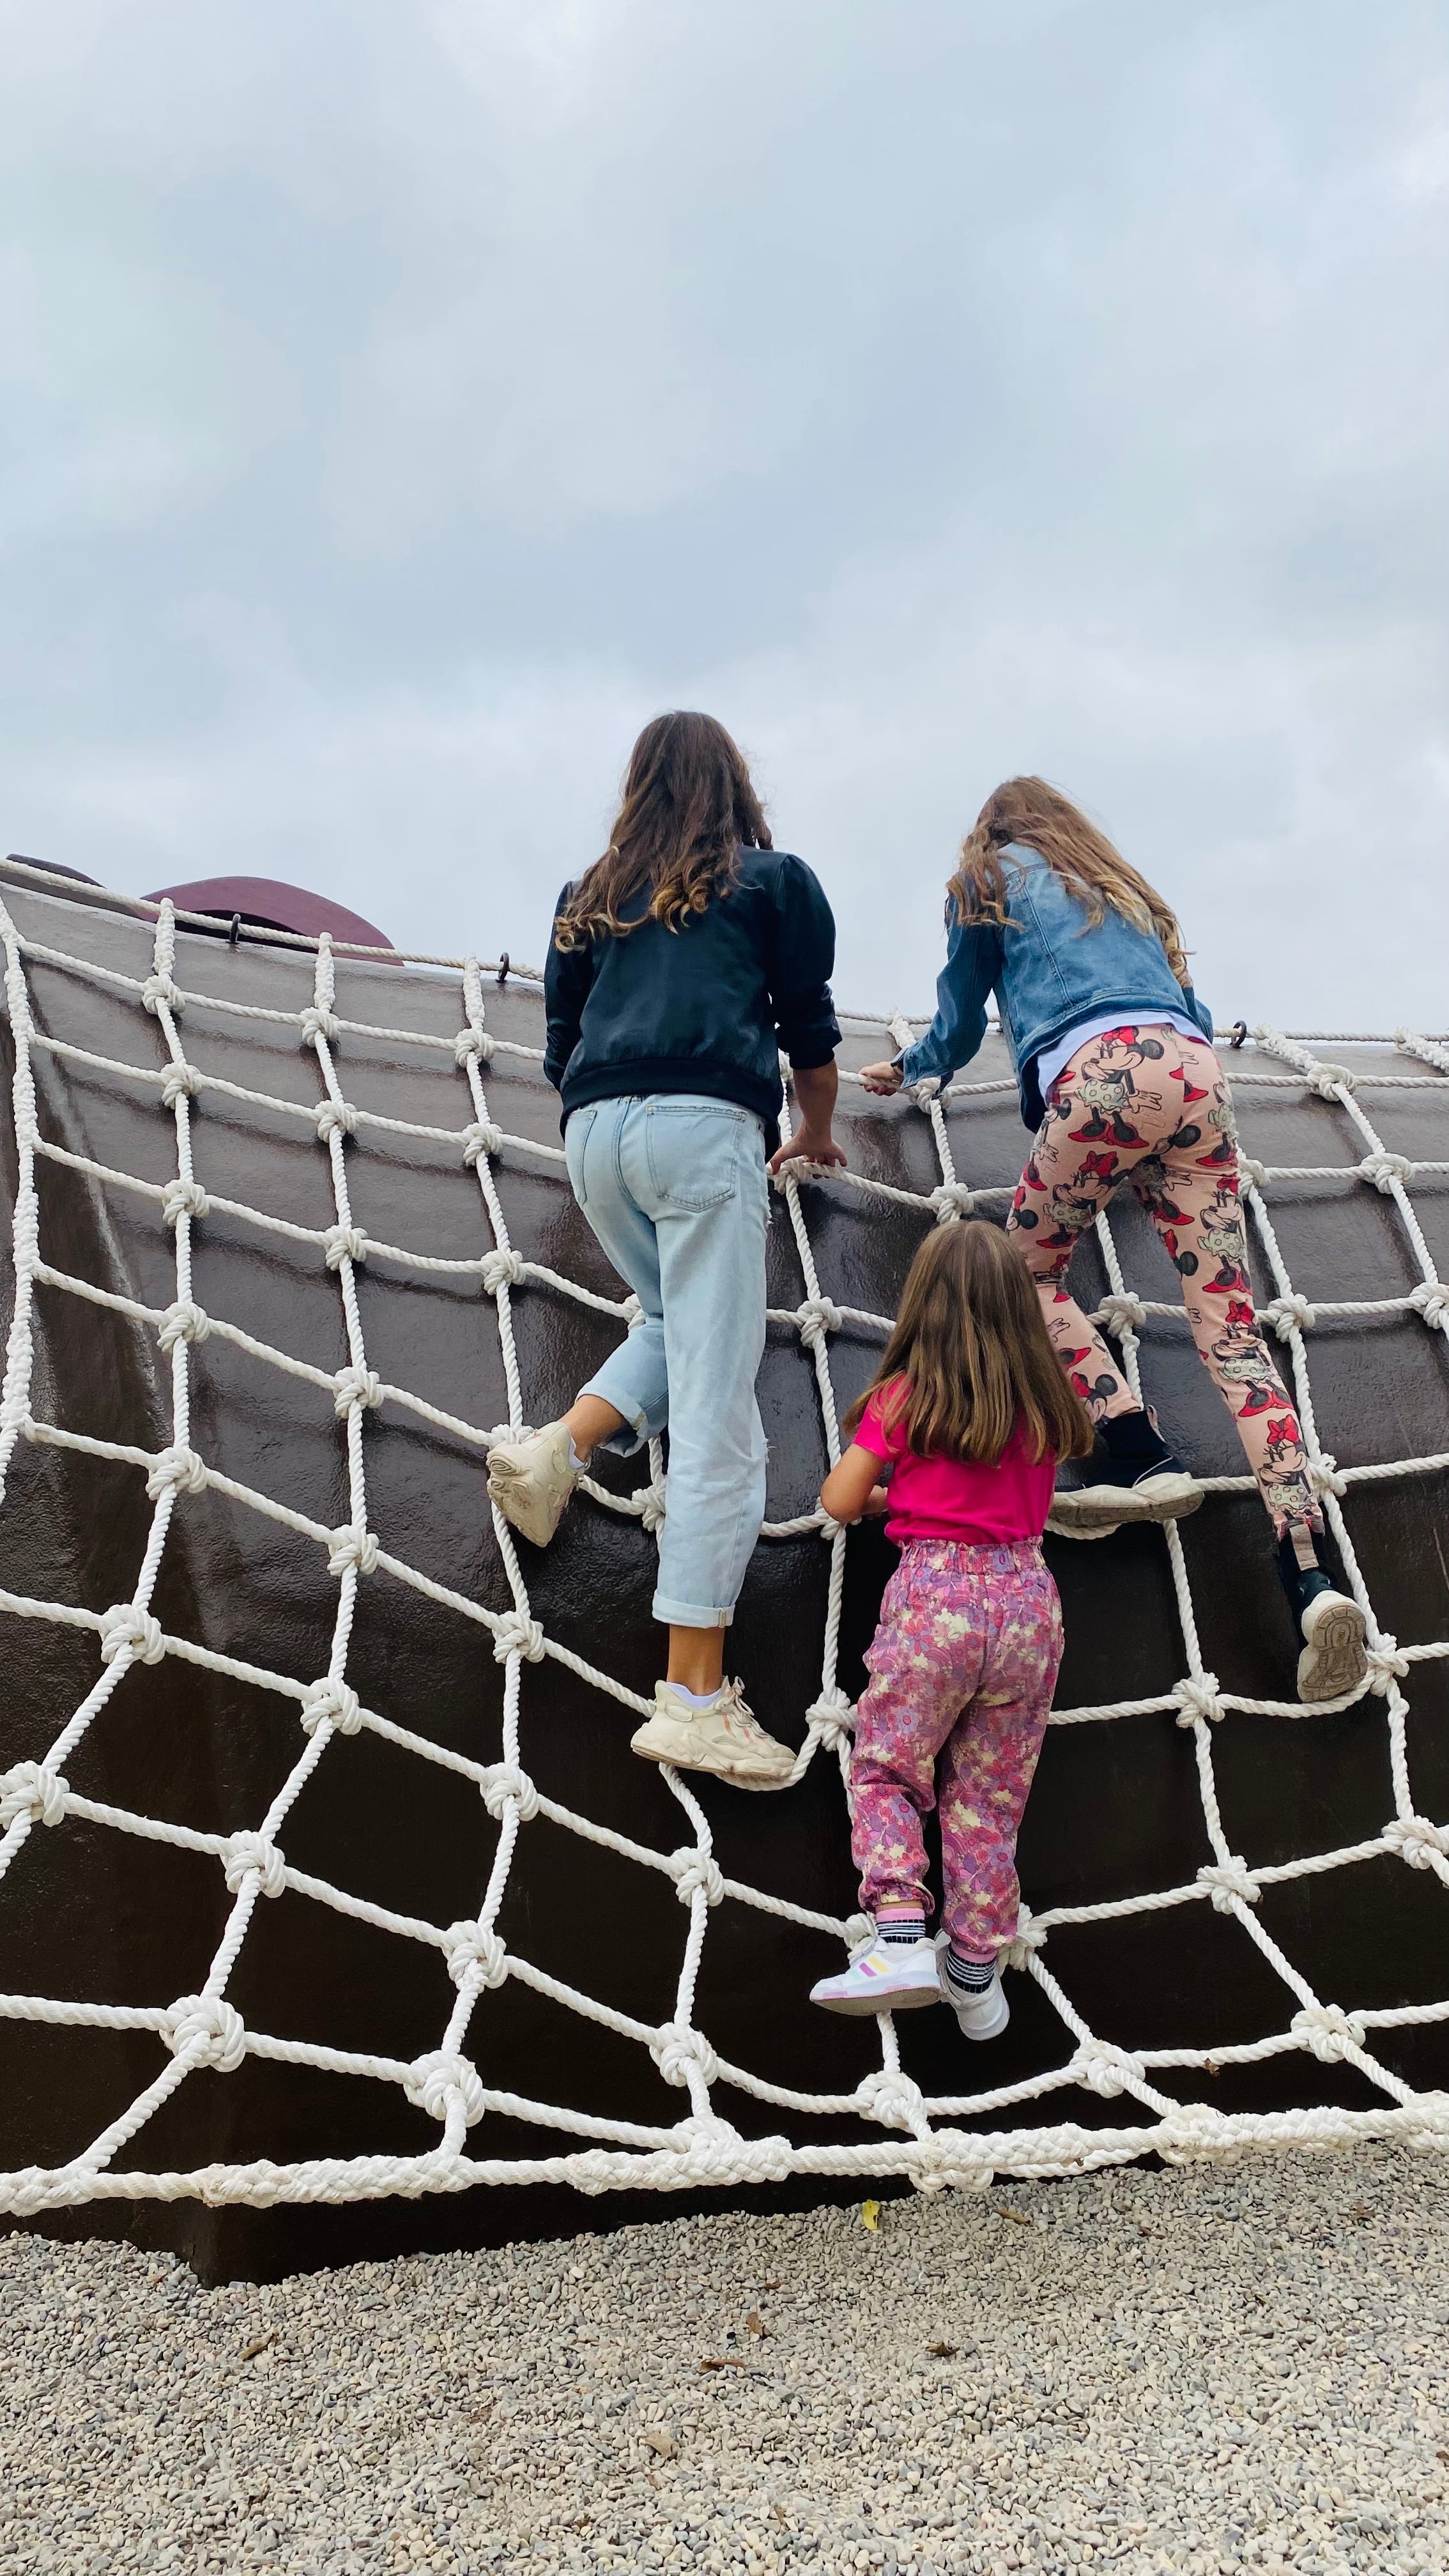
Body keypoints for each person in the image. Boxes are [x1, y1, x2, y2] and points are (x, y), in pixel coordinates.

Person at [859, 777, 1368, 1705]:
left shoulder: (985, 876)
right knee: (1234, 1336)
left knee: (1024, 1275)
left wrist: (912, 1068)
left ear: (992, 830)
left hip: (1102, 1078)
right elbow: (1191, 1011)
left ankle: (1136, 1447)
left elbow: (963, 1016)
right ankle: (1312, 1573)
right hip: (1196, 1074)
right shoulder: (1120, 888)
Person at [487, 711, 845, 1789]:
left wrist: (619, 1116)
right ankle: (693, 1692)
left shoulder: (584, 897)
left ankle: (558, 1448)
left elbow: (560, 1043)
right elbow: (807, 1029)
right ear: (734, 786)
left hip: (594, 1135)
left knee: (678, 1323)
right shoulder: (771, 882)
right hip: (703, 1129)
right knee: (720, 1403)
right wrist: (813, 1133)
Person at [808, 1222, 1092, 2039]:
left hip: (937, 1599)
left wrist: (893, 1501)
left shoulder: (907, 1398)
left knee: (890, 1768)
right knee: (990, 1794)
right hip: (1029, 1602)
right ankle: (974, 1970)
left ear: (923, 1305)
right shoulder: (1046, 1398)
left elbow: (838, 1499)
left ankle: (899, 1933)